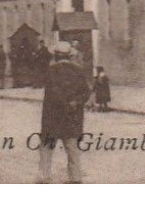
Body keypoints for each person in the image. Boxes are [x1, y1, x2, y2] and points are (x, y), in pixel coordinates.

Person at [37, 44, 90, 184]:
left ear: (55, 55)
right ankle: (75, 179)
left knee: (46, 148)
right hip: (72, 117)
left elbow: (53, 93)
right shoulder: (79, 71)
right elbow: (86, 92)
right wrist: (75, 103)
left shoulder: (51, 71)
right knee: (72, 149)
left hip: (52, 117)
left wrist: (64, 104)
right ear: (70, 55)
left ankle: (44, 178)